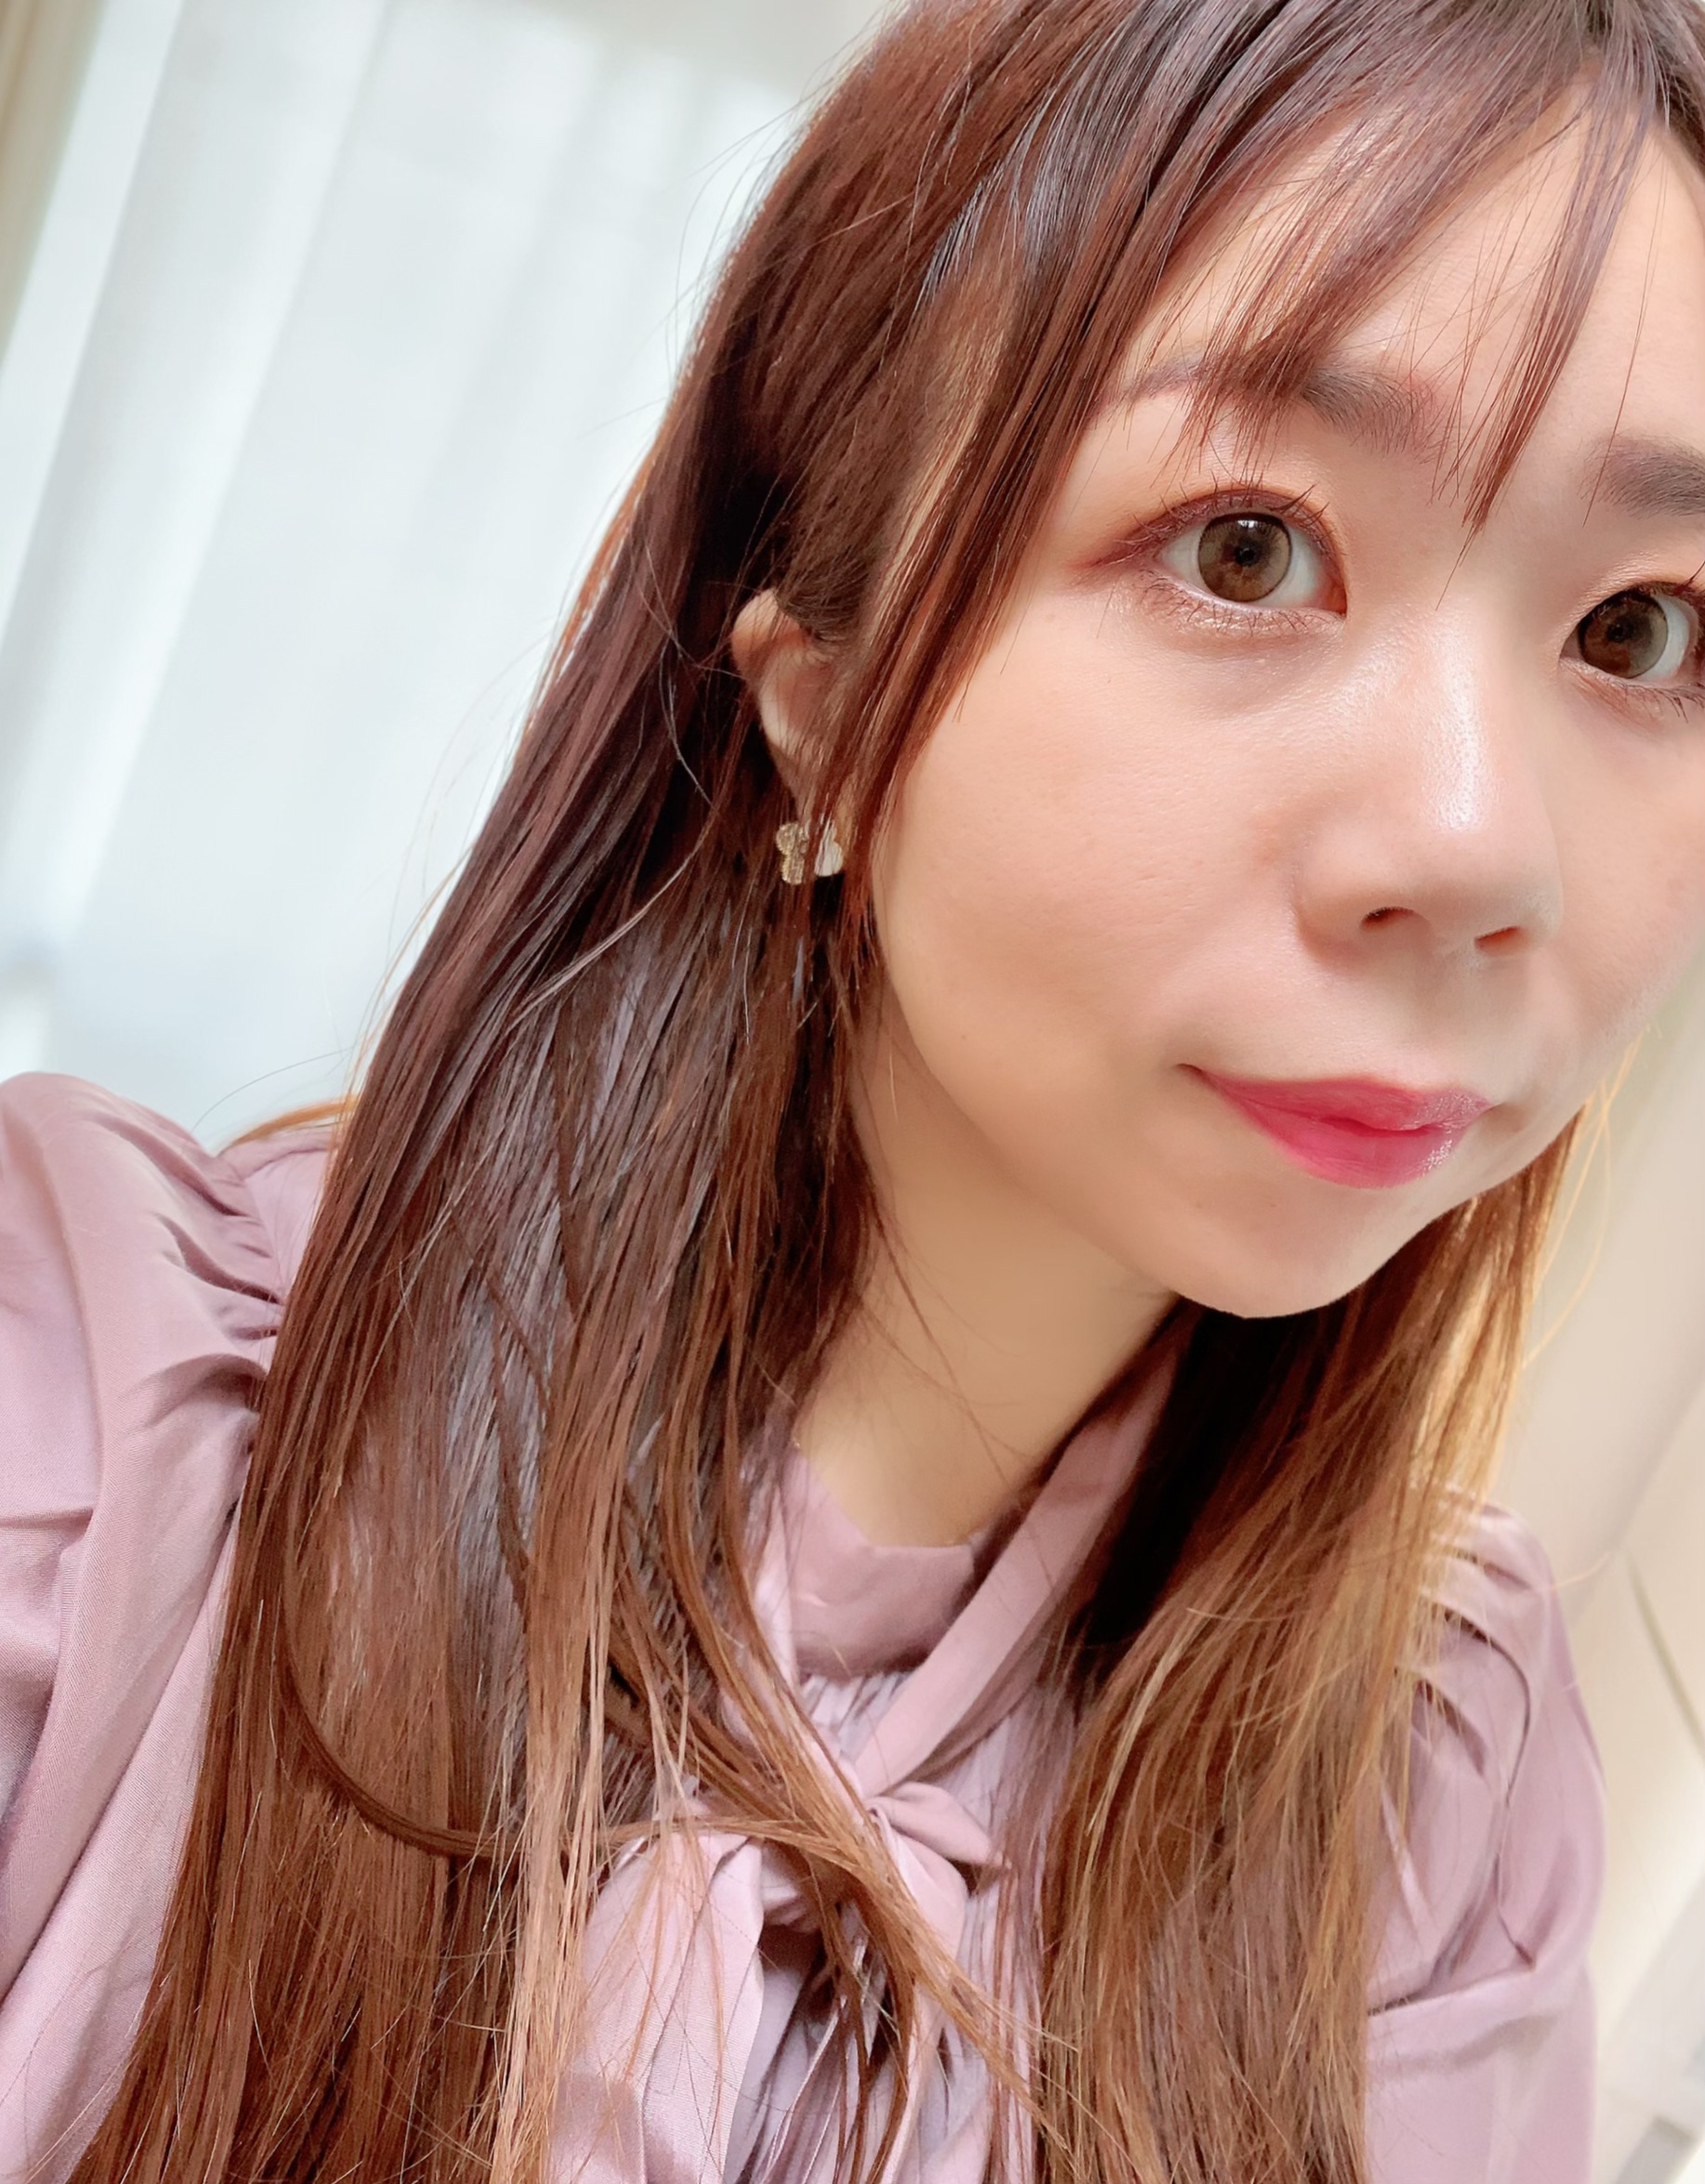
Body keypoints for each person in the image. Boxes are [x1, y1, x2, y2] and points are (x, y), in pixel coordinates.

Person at [6, 0, 1705, 2177]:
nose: (1483, 850)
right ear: (817, 694)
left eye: (1641, 628)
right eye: (1248, 548)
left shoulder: (1438, 1782)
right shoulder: (89, 1416)